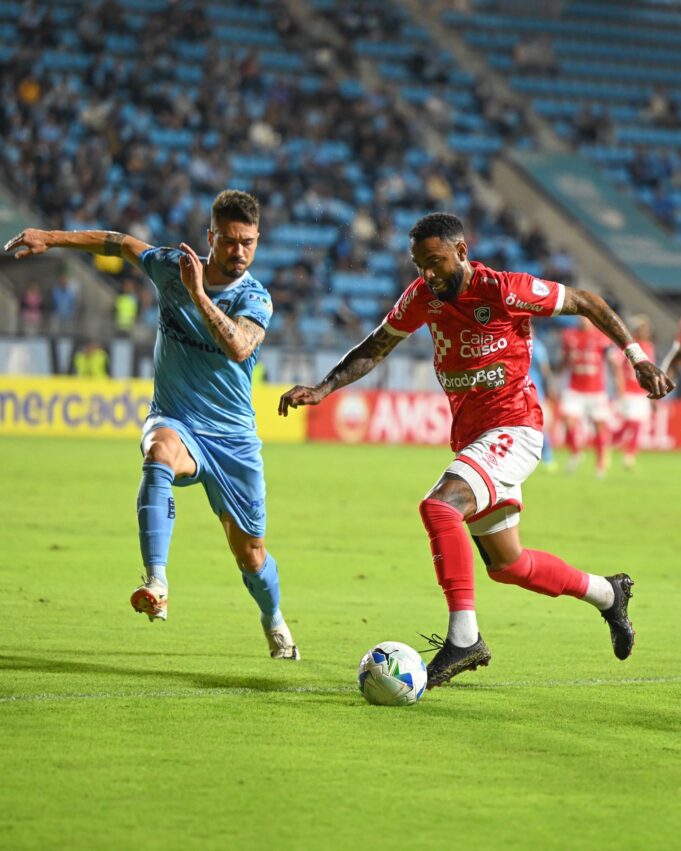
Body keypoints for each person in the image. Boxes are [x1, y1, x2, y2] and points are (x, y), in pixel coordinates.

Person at [278, 213, 673, 688]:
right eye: (419, 263)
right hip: (475, 436)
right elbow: (376, 346)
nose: (428, 273)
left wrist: (638, 358)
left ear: (461, 252)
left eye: (436, 261)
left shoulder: (504, 289)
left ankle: (464, 639)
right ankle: (608, 593)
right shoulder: (422, 297)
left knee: (439, 507)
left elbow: (587, 302)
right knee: (510, 565)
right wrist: (324, 389)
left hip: (515, 427)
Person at [4, 189, 299, 660]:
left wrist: (198, 293)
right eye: (229, 240)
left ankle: (274, 620)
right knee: (158, 453)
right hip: (175, 418)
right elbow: (120, 242)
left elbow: (241, 348)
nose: (238, 251)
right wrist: (50, 237)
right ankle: (157, 581)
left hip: (232, 438)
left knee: (251, 555)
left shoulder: (255, 297)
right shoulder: (169, 265)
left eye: (248, 242)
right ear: (211, 237)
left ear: (257, 240)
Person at [559, 315, 618, 476]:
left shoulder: (602, 337)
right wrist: (559, 374)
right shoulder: (569, 335)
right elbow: (564, 360)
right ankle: (576, 452)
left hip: (596, 390)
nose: (583, 321)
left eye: (586, 318)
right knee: (568, 420)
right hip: (575, 388)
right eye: (581, 317)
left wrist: (619, 386)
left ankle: (600, 463)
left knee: (599, 426)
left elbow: (614, 361)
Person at [613, 315, 656, 470]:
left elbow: (651, 371)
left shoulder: (649, 347)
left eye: (647, 329)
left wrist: (653, 392)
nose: (646, 332)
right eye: (643, 329)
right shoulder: (631, 346)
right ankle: (613, 443)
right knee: (630, 423)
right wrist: (620, 385)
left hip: (642, 392)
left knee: (637, 424)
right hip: (629, 391)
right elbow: (615, 362)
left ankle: (629, 455)